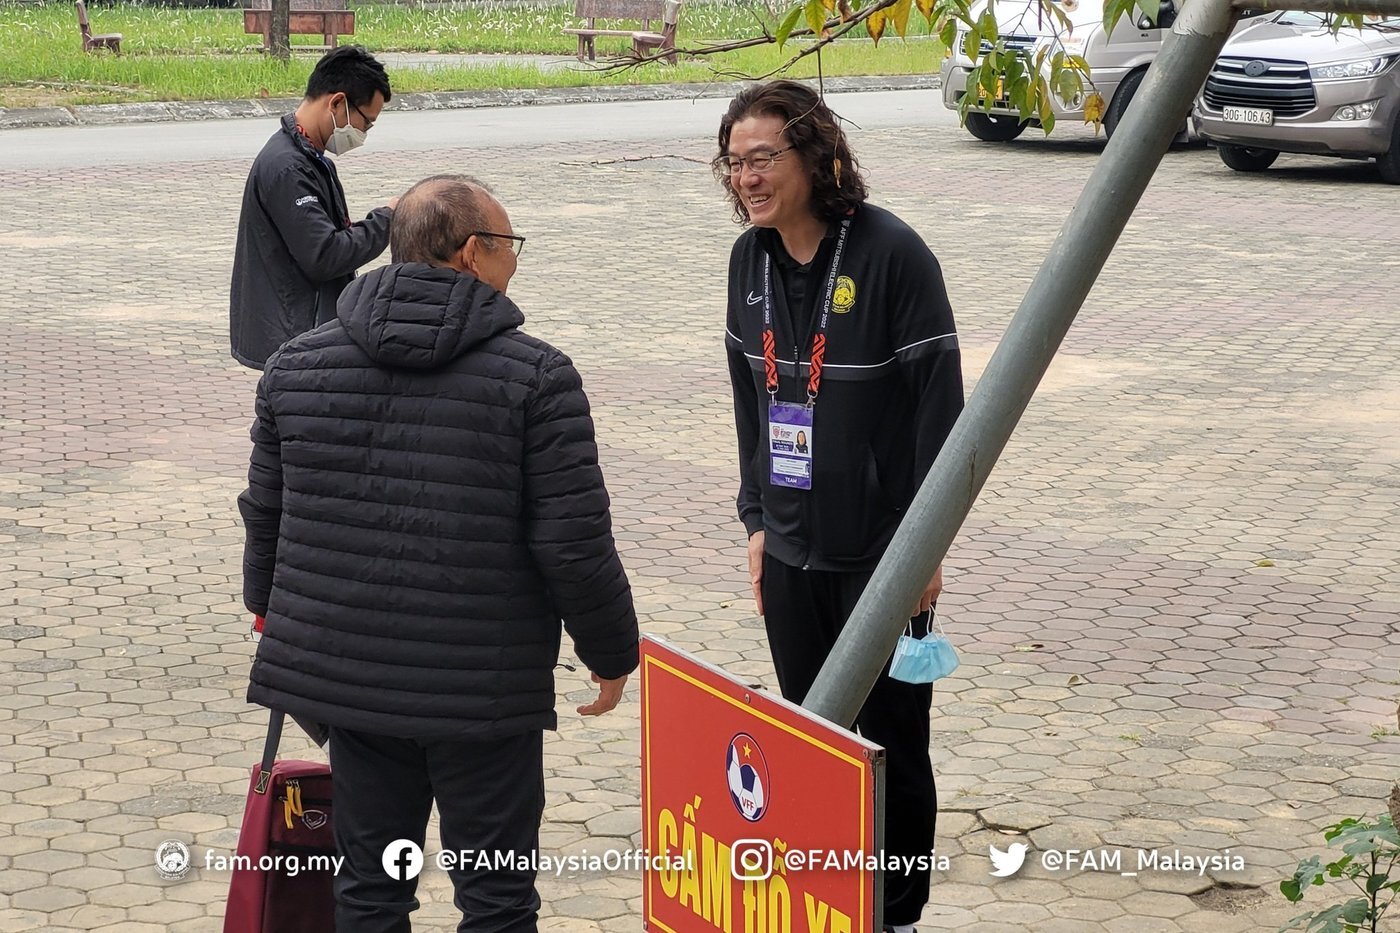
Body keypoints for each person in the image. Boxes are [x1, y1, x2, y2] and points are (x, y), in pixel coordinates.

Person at [238, 174, 639, 932]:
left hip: (351, 683)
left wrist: (268, 611)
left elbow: (267, 514)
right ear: (470, 254)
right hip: (481, 693)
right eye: (509, 245)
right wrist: (612, 649)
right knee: (495, 895)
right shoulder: (536, 376)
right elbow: (572, 539)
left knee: (370, 884)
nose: (515, 262)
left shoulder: (296, 367)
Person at [717, 80, 964, 932]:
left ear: (816, 156)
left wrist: (924, 549)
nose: (746, 177)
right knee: (811, 737)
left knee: (894, 744)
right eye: (735, 161)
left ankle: (895, 912)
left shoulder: (893, 253)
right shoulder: (747, 260)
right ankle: (829, 898)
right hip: (789, 553)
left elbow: (944, 415)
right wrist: (755, 523)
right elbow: (751, 406)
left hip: (882, 558)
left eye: (763, 158)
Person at [229, 45, 399, 370]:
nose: (364, 133)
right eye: (366, 122)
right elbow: (324, 255)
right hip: (294, 341)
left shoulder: (310, 158)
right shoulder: (288, 167)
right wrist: (386, 220)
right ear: (337, 103)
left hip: (302, 333)